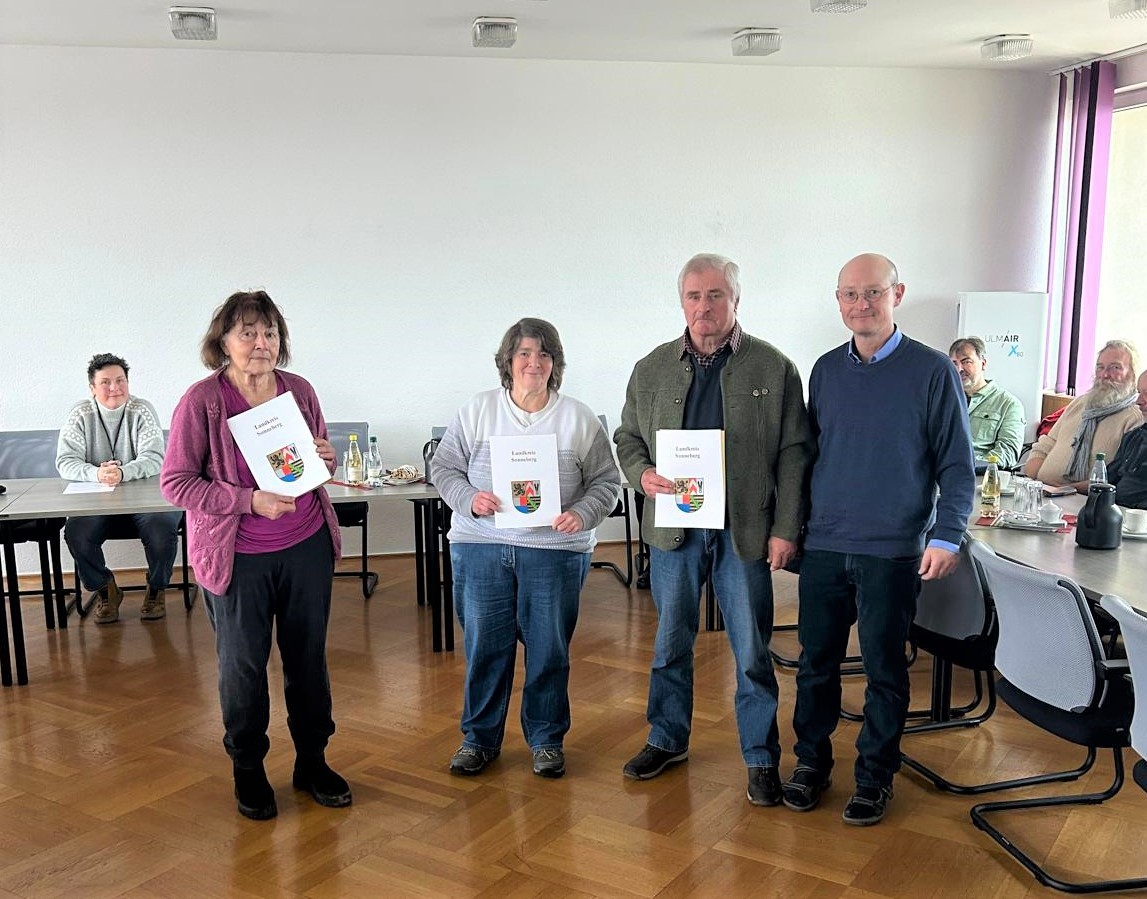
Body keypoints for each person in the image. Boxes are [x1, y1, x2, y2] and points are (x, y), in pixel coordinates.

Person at [614, 253, 812, 807]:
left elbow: (796, 453)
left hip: (743, 532)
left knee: (751, 648)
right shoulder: (650, 368)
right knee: (670, 640)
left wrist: (785, 528)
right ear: (682, 302)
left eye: (716, 295)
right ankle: (666, 737)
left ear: (735, 300)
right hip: (675, 530)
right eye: (695, 296)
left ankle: (760, 756)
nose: (705, 306)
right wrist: (643, 474)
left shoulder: (773, 367)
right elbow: (627, 438)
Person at [784, 253, 974, 826]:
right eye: (849, 295)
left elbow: (957, 467)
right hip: (824, 546)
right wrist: (791, 533)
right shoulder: (824, 370)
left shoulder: (933, 371)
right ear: (838, 301)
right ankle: (810, 764)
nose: (860, 305)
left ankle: (874, 777)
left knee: (885, 672)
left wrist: (948, 535)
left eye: (872, 293)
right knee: (814, 665)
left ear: (898, 294)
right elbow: (813, 457)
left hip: (892, 551)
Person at [160, 290, 350, 821]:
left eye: (269, 333)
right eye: (247, 332)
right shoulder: (203, 401)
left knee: (307, 660)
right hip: (237, 556)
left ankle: (312, 761)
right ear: (223, 342)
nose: (260, 343)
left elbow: (313, 459)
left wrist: (324, 457)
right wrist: (247, 501)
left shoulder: (300, 390)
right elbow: (176, 483)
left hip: (306, 545)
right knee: (242, 667)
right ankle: (248, 767)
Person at [432, 318, 621, 779]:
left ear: (554, 364)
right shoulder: (477, 411)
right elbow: (443, 467)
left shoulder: (578, 417)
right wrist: (468, 500)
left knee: (548, 650)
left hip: (555, 550)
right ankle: (479, 740)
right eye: (523, 353)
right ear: (507, 361)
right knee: (484, 648)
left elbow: (607, 482)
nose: (533, 362)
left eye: (543, 354)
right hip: (481, 544)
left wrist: (583, 513)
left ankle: (546, 740)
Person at [56, 353, 183, 624]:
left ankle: (157, 588)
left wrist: (122, 472)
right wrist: (97, 474)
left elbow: (155, 458)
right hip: (97, 501)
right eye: (105, 382)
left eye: (120, 380)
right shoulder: (80, 414)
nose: (114, 387)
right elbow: (65, 462)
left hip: (146, 500)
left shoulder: (142, 410)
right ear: (92, 388)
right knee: (77, 533)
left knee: (163, 526)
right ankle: (105, 589)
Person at [1024, 340, 1142, 492]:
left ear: (1133, 374)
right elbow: (1046, 443)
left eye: (1115, 367)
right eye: (1100, 367)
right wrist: (1033, 482)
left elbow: (1118, 476)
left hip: (1084, 498)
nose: (1105, 374)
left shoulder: (1135, 417)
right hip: (1042, 490)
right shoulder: (1081, 402)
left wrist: (1066, 490)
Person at [948, 337, 1025, 470]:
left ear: (983, 363)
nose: (959, 368)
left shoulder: (1008, 404)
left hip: (980, 478)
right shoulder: (943, 399)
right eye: (954, 363)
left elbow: (1008, 453)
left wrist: (970, 465)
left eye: (966, 361)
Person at [1107, 368, 1147, 509]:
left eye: (1146, 394)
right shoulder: (1133, 437)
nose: (1138, 401)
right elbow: (1105, 481)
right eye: (1139, 393)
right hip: (1116, 516)